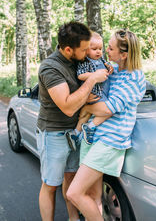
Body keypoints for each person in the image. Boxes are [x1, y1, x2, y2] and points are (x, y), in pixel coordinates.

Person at [66, 29, 146, 221]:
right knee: (94, 196)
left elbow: (107, 109)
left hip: (110, 141)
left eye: (110, 48)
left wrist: (85, 106)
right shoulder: (112, 69)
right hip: (92, 136)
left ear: (124, 54)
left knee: (73, 193)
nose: (106, 51)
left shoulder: (134, 78)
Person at [36, 21, 109, 221]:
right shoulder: (50, 68)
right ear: (68, 49)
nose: (88, 52)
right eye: (84, 49)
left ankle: (73, 218)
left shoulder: (77, 60)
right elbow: (68, 106)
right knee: (50, 185)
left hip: (76, 132)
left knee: (71, 178)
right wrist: (93, 79)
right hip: (54, 134)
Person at [67, 31, 113, 149]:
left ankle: (75, 134)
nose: (98, 51)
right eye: (94, 49)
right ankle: (90, 127)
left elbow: (106, 64)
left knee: (85, 116)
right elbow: (80, 76)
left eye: (100, 49)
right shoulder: (85, 62)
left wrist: (109, 66)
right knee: (109, 111)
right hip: (94, 93)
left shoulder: (101, 59)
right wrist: (94, 75)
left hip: (100, 92)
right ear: (86, 50)